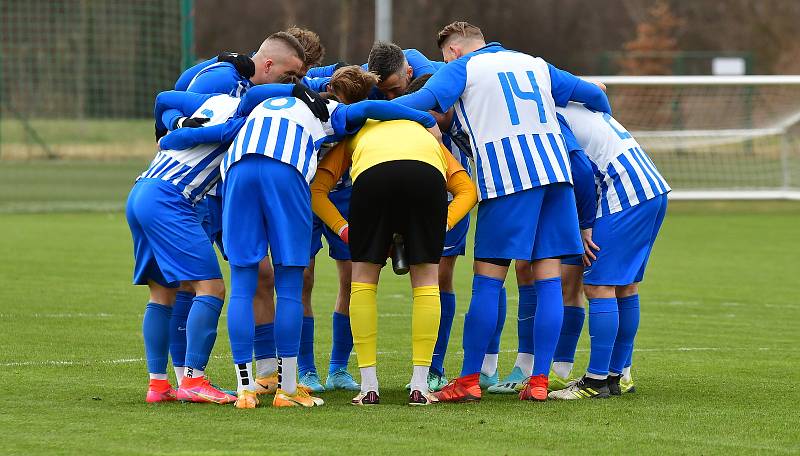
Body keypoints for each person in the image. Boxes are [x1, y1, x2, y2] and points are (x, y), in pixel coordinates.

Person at [393, 21, 611, 402]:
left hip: (509, 179)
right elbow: (594, 96)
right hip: (557, 178)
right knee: (547, 280)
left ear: (454, 51)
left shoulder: (463, 68)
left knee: (488, 280)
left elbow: (419, 102)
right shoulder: (536, 64)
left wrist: (359, 113)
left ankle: (468, 379)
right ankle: (539, 381)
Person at [130, 68, 316, 404]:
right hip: (173, 198)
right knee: (212, 288)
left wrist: (175, 126)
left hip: (143, 189)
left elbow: (165, 107)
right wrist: (299, 92)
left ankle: (158, 385)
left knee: (163, 294)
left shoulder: (209, 102)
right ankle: (194, 380)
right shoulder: (242, 117)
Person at [311, 118, 477, 406]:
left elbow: (317, 189)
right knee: (426, 282)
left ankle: (368, 388)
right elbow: (468, 190)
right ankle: (420, 386)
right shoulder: (424, 131)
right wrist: (442, 225)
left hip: (373, 181)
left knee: (362, 282)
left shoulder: (359, 129)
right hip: (425, 177)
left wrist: (342, 228)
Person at [547, 102, 669, 400]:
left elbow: (580, 169)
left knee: (599, 286)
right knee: (625, 286)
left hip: (623, 191)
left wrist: (584, 225)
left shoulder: (549, 114)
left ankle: (596, 381)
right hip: (651, 187)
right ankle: (616, 375)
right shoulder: (573, 105)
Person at [299, 66, 382, 393]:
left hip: (346, 198)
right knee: (302, 278)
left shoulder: (362, 107)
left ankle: (338, 368)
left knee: (351, 280)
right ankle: (305, 369)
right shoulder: (307, 102)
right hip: (303, 193)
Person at [366, 42, 444, 99]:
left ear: (409, 72)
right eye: (383, 91)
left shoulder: (428, 76)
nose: (390, 97)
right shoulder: (366, 78)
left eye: (394, 89)